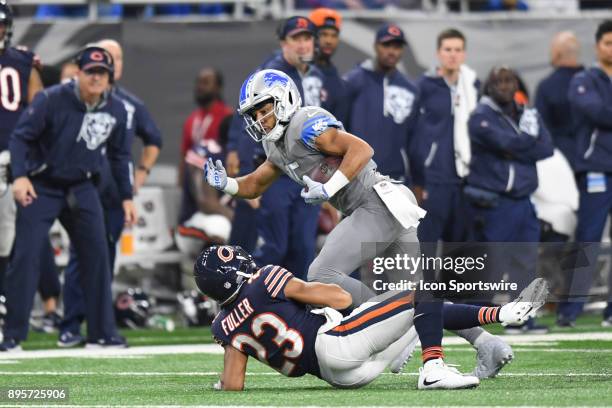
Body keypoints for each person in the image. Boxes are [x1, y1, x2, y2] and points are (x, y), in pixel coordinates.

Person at [205, 68, 500, 388]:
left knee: (321, 274)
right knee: (416, 298)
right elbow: (257, 183)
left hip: (375, 203)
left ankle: (385, 329)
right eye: (256, 114)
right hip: (385, 205)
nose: (261, 119)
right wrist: (229, 185)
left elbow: (361, 149)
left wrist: (331, 186)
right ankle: (487, 343)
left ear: (286, 100)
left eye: (265, 109)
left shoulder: (305, 123)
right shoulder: (275, 145)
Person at [195, 245, 548, 391]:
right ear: (235, 272)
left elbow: (233, 385)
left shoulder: (223, 325)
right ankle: (433, 369)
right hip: (337, 342)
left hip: (339, 376)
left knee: (420, 312)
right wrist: (304, 297)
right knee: (421, 292)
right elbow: (341, 297)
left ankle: (504, 313)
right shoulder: (265, 280)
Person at [0, 45, 134, 351]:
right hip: (42, 184)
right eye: (91, 72)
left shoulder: (116, 110)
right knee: (27, 255)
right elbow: (20, 137)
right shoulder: (51, 99)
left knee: (98, 254)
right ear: (78, 73)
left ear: (110, 78)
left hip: (81, 185)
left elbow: (119, 155)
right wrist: (20, 176)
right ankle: (12, 336)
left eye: (102, 73)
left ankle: (101, 333)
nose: (96, 79)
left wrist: (126, 197)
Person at [58, 39, 163, 347]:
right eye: (106, 57)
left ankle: (99, 327)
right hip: (81, 188)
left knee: (105, 258)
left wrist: (140, 175)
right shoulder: (73, 99)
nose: (112, 63)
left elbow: (153, 139)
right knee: (80, 255)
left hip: (115, 192)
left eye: (116, 58)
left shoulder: (128, 104)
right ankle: (71, 324)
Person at [225, 16, 327, 279]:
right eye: (296, 39)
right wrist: (250, 173)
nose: (303, 45)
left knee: (303, 248)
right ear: (284, 43)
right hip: (276, 171)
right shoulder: (270, 76)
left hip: (306, 173)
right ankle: (245, 301)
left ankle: (297, 313)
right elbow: (250, 122)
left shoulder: (316, 74)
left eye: (307, 38)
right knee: (274, 247)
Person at [466, 66, 554, 333]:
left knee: (526, 260)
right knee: (494, 263)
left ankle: (522, 318)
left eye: (509, 81)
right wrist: (526, 141)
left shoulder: (526, 113)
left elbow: (547, 148)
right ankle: (473, 319)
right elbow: (508, 144)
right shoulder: (480, 116)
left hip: (524, 200)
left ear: (516, 84)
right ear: (489, 87)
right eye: (499, 82)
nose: (505, 86)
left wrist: (517, 146)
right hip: (497, 202)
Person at [559, 20, 612, 327]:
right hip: (595, 170)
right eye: (607, 42)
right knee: (588, 240)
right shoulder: (583, 79)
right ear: (597, 46)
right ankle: (569, 311)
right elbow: (596, 112)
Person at [0, 0, 44, 330]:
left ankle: (9, 304)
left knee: (10, 238)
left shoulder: (23, 61)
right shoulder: (24, 60)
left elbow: (40, 109)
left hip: (8, 161)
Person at [413, 28, 478, 242]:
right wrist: (418, 178)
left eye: (458, 50)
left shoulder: (473, 86)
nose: (453, 54)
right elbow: (413, 134)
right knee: (426, 246)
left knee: (459, 249)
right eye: (448, 49)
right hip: (435, 179)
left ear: (464, 54)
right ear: (438, 53)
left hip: (464, 178)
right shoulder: (423, 86)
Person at [343, 23, 419, 185]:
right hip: (357, 173)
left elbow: (415, 140)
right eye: (386, 45)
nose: (392, 51)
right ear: (376, 46)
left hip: (396, 177)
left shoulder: (410, 89)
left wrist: (418, 181)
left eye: (397, 46)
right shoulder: (353, 81)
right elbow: (339, 129)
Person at [179, 67, 233, 197]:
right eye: (199, 82)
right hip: (193, 188)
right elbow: (184, 155)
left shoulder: (228, 117)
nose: (200, 87)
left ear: (218, 88)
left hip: (218, 188)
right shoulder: (192, 119)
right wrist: (180, 185)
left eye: (206, 83)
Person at [535, 31, 583, 168]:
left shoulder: (546, 87)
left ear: (556, 54)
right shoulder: (595, 83)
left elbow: (541, 130)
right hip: (597, 160)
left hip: (562, 162)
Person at [309, 7, 349, 124]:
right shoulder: (295, 70)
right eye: (324, 34)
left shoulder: (338, 83)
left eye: (334, 35)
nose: (329, 41)